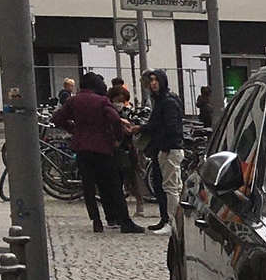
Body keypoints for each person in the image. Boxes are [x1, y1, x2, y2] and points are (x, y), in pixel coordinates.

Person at [50, 67, 144, 234]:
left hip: (82, 147)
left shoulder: (73, 100)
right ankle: (124, 221)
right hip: (102, 147)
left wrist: (72, 127)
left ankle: (96, 220)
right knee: (113, 184)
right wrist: (116, 138)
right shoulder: (101, 101)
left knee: (88, 186)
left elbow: (57, 118)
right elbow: (115, 119)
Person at [142, 70, 186, 218]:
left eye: (156, 80)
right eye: (151, 80)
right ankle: (169, 219)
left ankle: (172, 221)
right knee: (169, 186)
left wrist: (166, 146)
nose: (153, 83)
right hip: (166, 147)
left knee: (171, 187)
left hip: (169, 148)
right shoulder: (162, 100)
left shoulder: (167, 101)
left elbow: (170, 126)